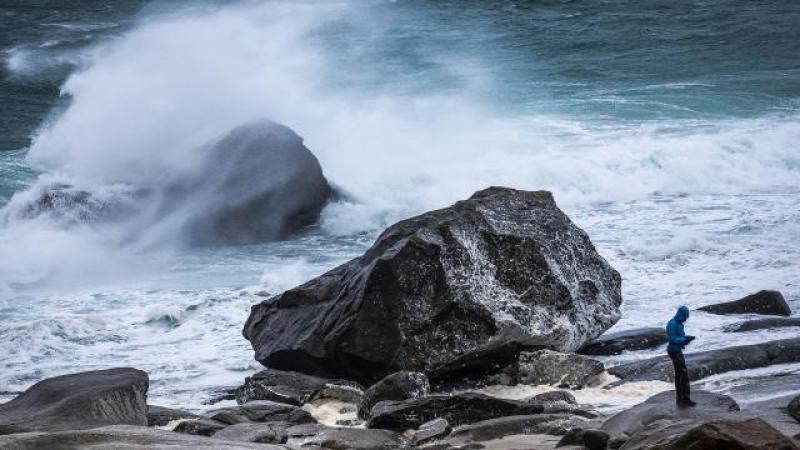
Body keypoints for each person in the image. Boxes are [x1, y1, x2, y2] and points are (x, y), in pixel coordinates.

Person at [666, 305, 695, 406]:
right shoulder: (673, 324)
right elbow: (672, 339)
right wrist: (685, 340)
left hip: (676, 350)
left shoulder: (678, 323)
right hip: (674, 351)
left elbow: (677, 338)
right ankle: (685, 399)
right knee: (683, 374)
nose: (686, 319)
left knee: (679, 375)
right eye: (685, 316)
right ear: (681, 315)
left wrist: (686, 340)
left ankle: (680, 398)